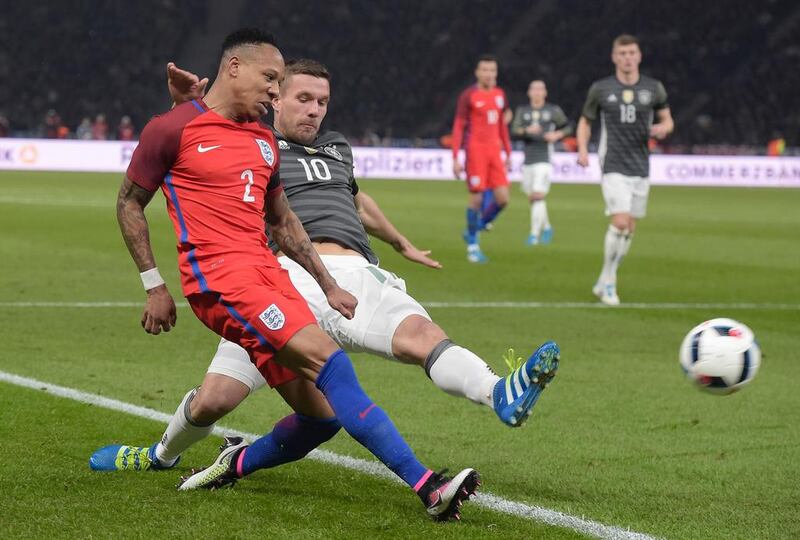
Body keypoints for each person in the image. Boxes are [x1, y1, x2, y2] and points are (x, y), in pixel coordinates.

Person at [91, 55, 560, 504]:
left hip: (351, 273)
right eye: (302, 98)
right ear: (274, 98)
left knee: (419, 338)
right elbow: (193, 141)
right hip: (274, 278)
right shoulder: (253, 138)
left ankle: (498, 392)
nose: (314, 109)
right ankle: (162, 455)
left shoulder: (337, 148)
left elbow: (357, 203)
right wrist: (185, 103)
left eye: (322, 101)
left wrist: (400, 243)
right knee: (214, 399)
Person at [576, 34, 673, 306]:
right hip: (613, 163)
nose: (628, 57)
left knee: (629, 228)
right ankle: (609, 283)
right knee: (619, 222)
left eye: (632, 52)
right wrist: (583, 149)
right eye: (623, 53)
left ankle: (604, 278)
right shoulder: (601, 89)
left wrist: (664, 128)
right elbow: (585, 122)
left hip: (641, 165)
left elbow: (668, 120)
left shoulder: (654, 88)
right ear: (614, 57)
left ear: (639, 56)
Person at [451, 55, 512, 263]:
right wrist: (456, 157)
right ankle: (473, 246)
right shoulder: (469, 95)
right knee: (476, 198)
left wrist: (508, 152)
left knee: (503, 199)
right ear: (477, 72)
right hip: (475, 151)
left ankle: (474, 229)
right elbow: (459, 126)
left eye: (492, 70)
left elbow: (502, 126)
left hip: (495, 152)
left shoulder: (500, 94)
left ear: (496, 73)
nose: (488, 74)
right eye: (484, 70)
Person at [510, 80, 572, 246]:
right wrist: (526, 131)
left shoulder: (552, 111)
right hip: (528, 158)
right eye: (534, 89)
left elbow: (568, 126)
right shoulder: (523, 111)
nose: (537, 92)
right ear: (529, 92)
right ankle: (547, 227)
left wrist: (557, 135)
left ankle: (534, 235)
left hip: (544, 157)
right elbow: (514, 130)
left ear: (545, 93)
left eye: (540, 89)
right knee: (533, 197)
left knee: (538, 194)